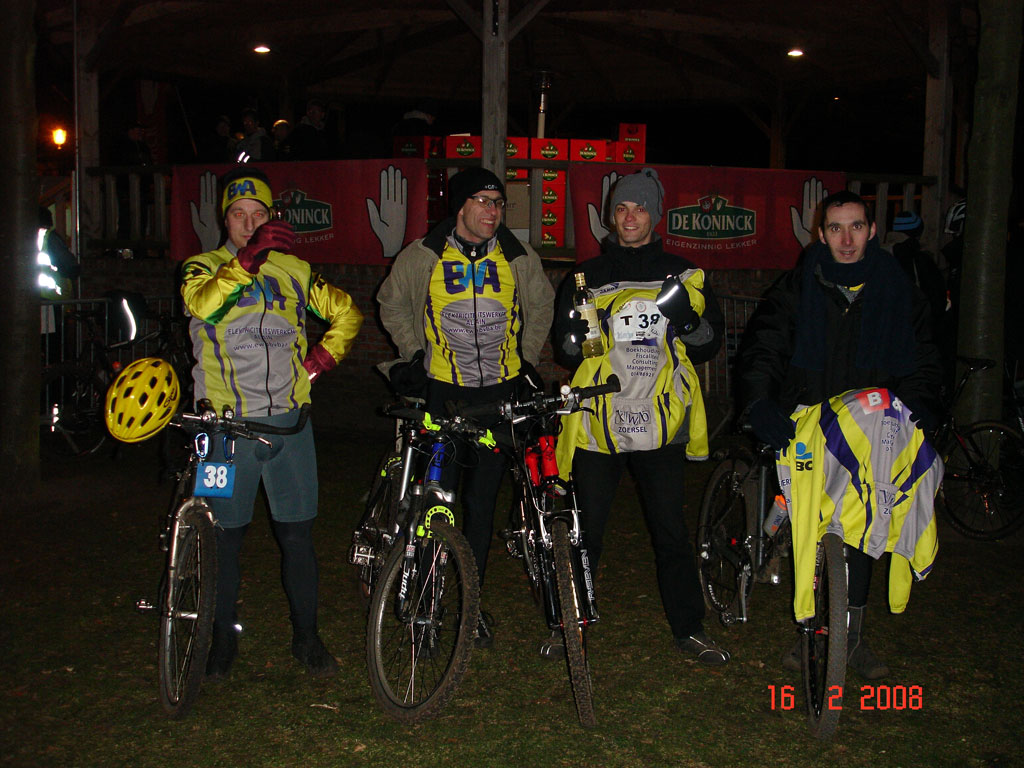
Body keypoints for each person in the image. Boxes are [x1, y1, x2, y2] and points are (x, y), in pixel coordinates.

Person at [737, 190, 943, 680]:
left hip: (872, 426)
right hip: (809, 416)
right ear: (820, 233)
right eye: (835, 228)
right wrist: (761, 401)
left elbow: (923, 358)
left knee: (867, 524)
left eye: (855, 227)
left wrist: (921, 407)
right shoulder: (798, 285)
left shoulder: (898, 289)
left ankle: (850, 637)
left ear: (872, 231)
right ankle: (807, 630)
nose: (846, 239)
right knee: (811, 522)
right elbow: (764, 345)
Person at [180, 166, 363, 678]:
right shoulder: (203, 267)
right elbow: (204, 306)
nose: (248, 222)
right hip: (225, 431)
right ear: (226, 221)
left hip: (288, 427)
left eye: (258, 215)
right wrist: (245, 262)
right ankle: (222, 641)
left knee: (297, 539)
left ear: (271, 219)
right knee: (224, 540)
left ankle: (307, 638)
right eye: (238, 215)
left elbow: (347, 314)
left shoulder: (294, 269)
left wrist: (317, 364)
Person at [551, 167, 730, 665]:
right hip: (599, 422)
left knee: (671, 531)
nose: (630, 217)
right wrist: (576, 335)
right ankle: (572, 624)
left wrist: (687, 318)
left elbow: (709, 344)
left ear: (656, 214)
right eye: (622, 208)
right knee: (586, 532)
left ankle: (689, 628)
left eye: (640, 208)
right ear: (612, 214)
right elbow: (570, 353)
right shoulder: (585, 275)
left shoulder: (683, 272)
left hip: (661, 422)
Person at [376, 167, 555, 648]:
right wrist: (415, 354)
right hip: (443, 393)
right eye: (482, 200)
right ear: (459, 206)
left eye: (498, 202)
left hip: (497, 399)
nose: (492, 210)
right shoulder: (423, 256)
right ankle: (426, 607)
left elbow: (541, 306)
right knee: (438, 502)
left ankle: (469, 607)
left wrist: (526, 362)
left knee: (480, 507)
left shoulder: (518, 257)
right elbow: (390, 303)